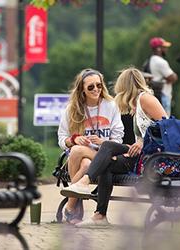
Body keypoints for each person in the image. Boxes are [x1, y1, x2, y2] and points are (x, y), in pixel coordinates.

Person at [61, 67, 167, 227]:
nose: (115, 89)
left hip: (151, 157)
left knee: (107, 147)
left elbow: (166, 127)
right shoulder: (135, 104)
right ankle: (100, 216)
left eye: (99, 85)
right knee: (106, 163)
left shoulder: (145, 98)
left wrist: (142, 142)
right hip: (140, 154)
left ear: (125, 85)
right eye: (91, 86)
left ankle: (83, 183)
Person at [57, 68, 124, 224]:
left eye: (99, 85)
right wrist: (74, 139)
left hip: (105, 156)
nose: (96, 90)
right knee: (84, 161)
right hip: (80, 160)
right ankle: (74, 207)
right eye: (91, 87)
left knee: (78, 151)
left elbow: (119, 137)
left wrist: (103, 143)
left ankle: (71, 207)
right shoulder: (72, 110)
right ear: (82, 90)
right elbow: (61, 139)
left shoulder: (111, 105)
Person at [148, 37, 178, 115]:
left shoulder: (151, 60)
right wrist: (172, 76)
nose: (166, 49)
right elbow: (173, 77)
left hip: (156, 94)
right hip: (163, 94)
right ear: (158, 49)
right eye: (164, 47)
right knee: (165, 120)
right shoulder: (161, 62)